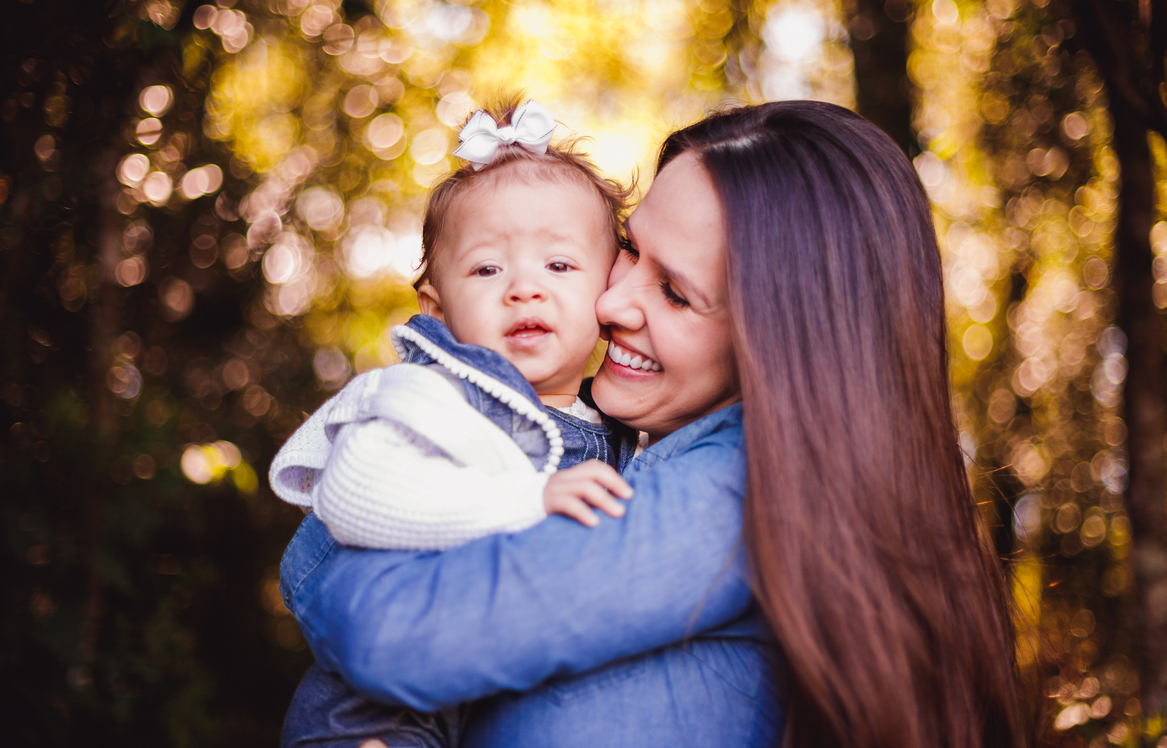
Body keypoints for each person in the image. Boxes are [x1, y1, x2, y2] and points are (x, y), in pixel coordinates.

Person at [279, 100, 1026, 748]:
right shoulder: (624, 448)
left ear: (779, 340)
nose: (610, 304)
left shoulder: (736, 497)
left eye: (674, 293)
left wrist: (332, 545)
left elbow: (392, 635)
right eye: (631, 251)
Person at [270, 99, 640, 747]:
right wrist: (526, 500)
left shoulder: (613, 423)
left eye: (559, 265)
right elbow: (354, 494)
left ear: (608, 294)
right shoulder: (429, 393)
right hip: (377, 717)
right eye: (487, 268)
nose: (523, 287)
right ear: (435, 312)